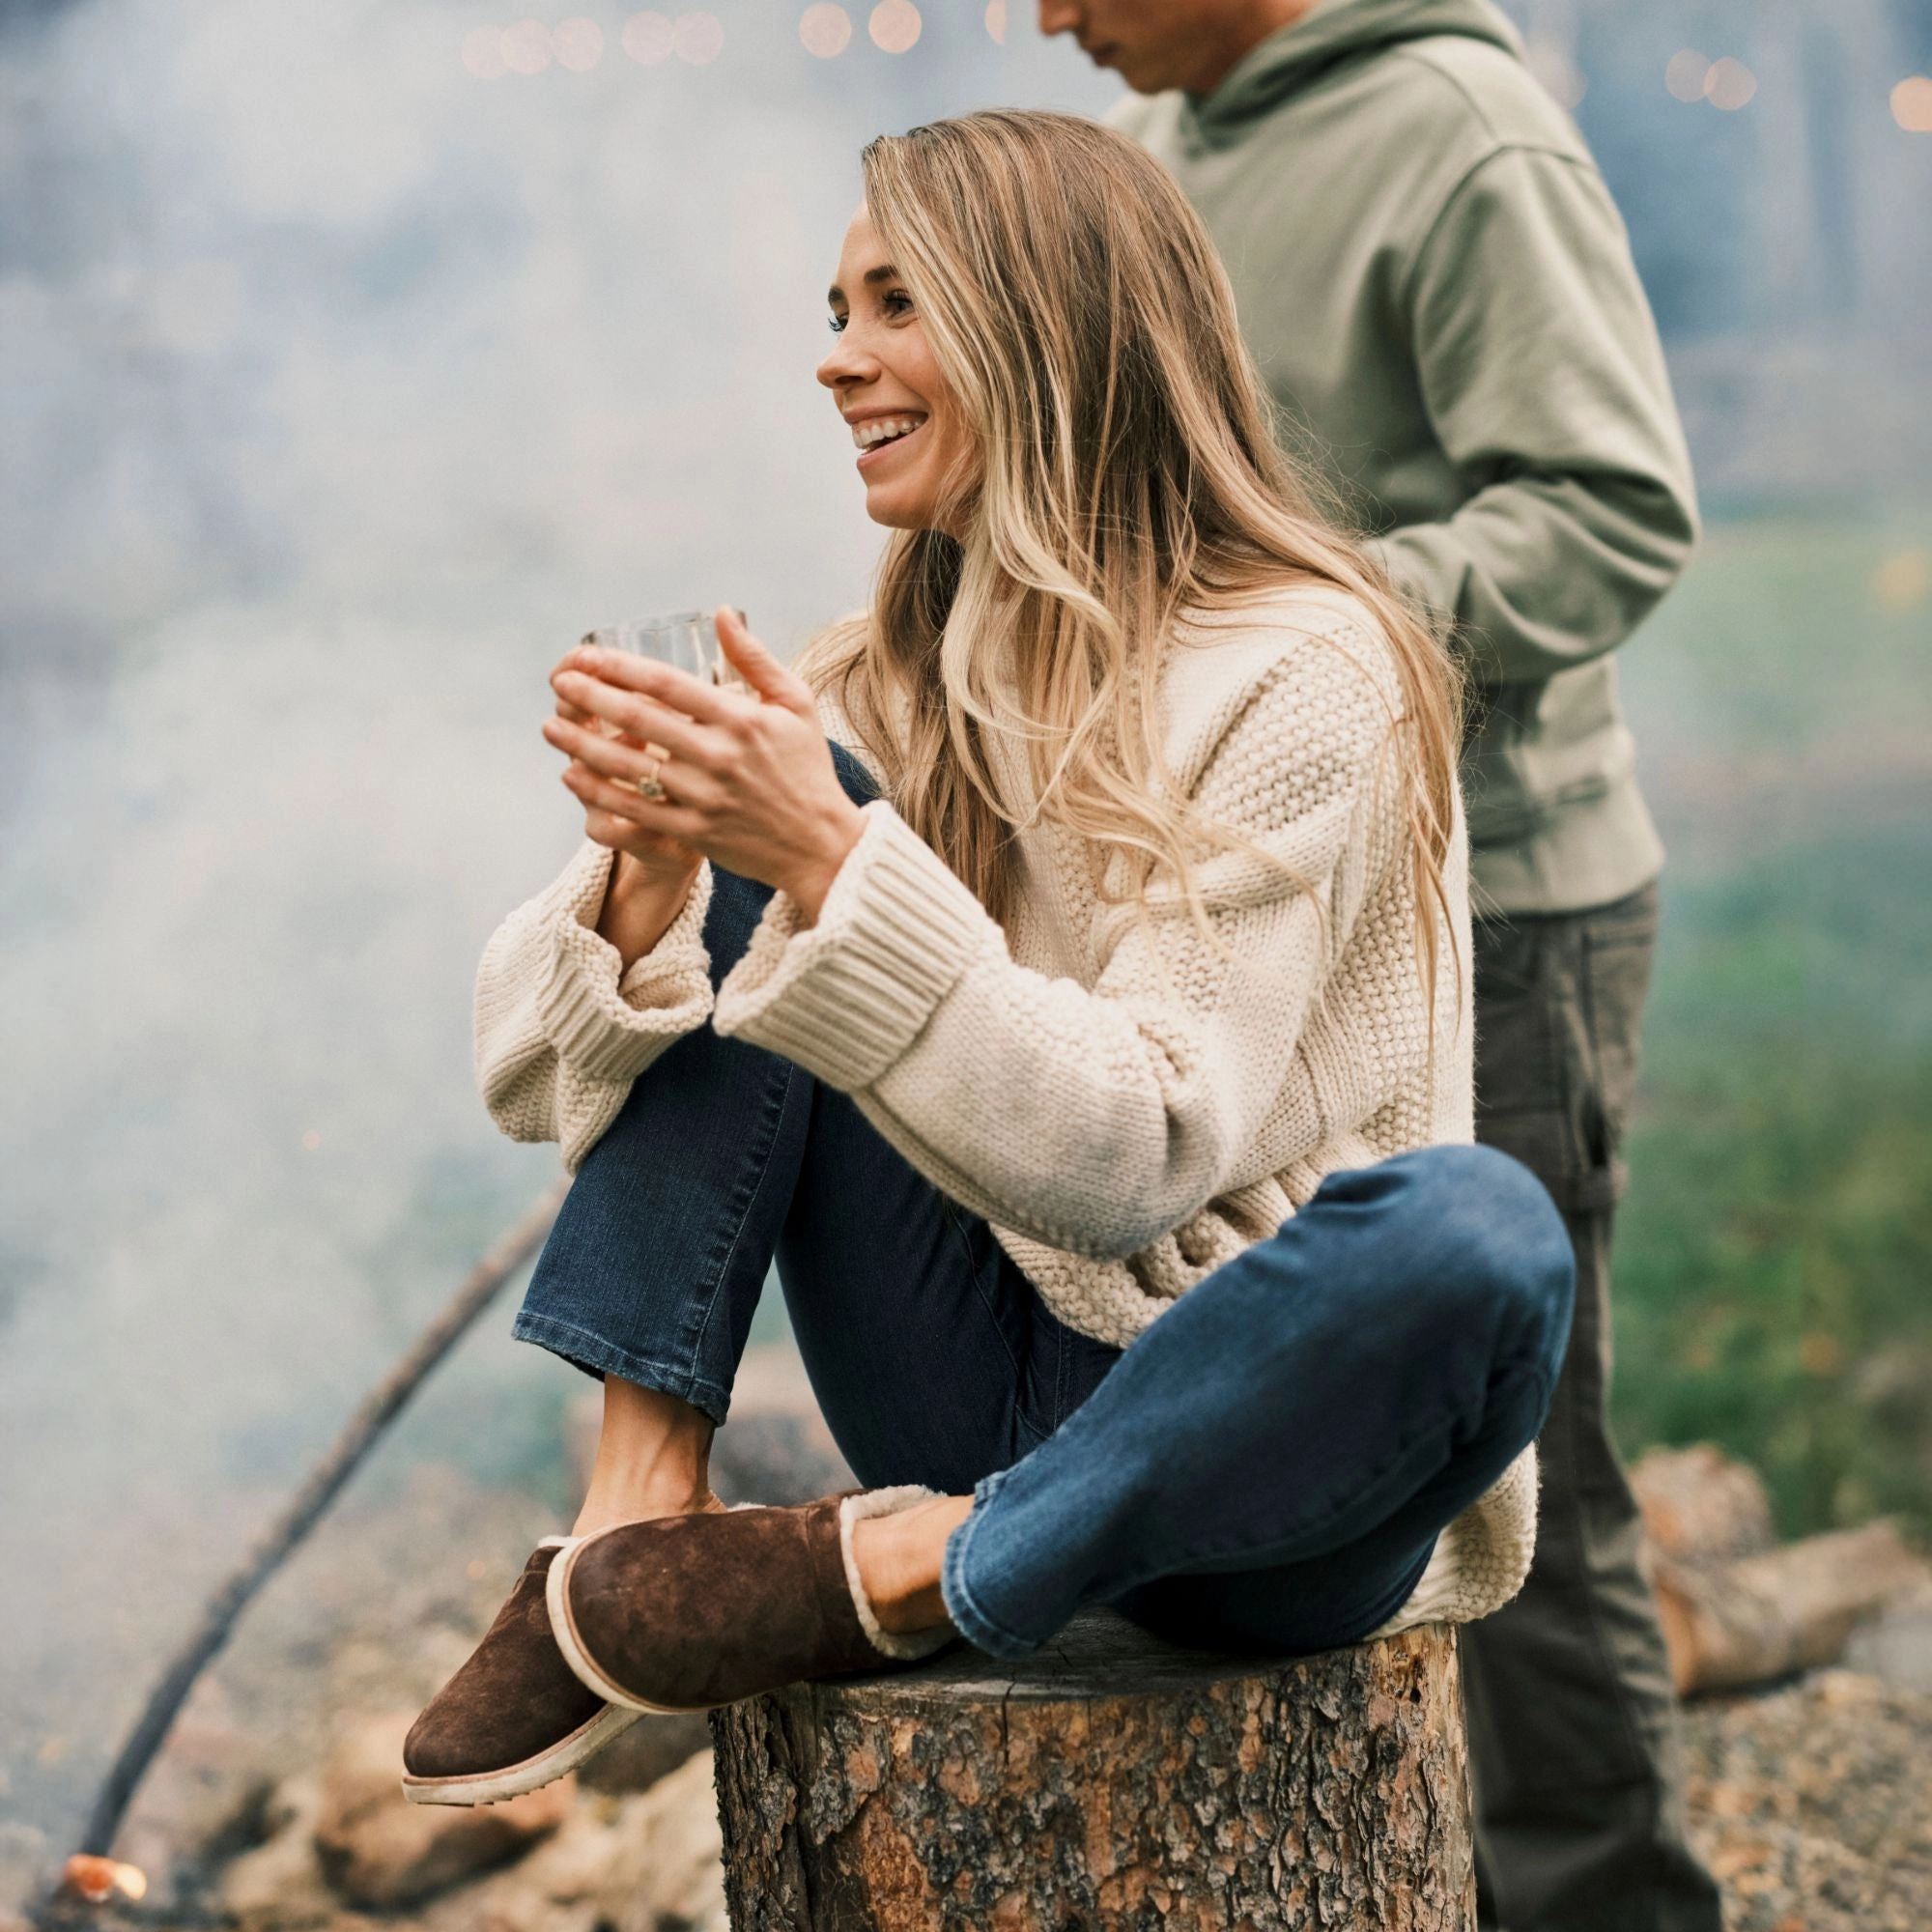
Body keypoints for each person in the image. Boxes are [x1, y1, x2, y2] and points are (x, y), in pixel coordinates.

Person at [400, 109, 1573, 1823]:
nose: (835, 360)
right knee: (774, 795)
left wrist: (826, 859)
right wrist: (654, 888)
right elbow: (526, 1074)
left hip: (1247, 1455)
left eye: (894, 305)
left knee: (1482, 1235)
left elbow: (1140, 1159)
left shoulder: (1309, 665)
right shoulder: (876, 678)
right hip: (963, 1364)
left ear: (1047, 327)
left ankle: (922, 1567)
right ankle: (630, 1540)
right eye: (834, 308)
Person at [1036, 2, 1714, 1926]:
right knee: (1299, 1433)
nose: (1041, 17)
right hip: (1256, 923)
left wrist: (1293, 636)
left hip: (1493, 911)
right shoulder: (1172, 150)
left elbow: (1608, 510)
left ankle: (1603, 1902)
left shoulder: (1458, 133)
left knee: (1518, 1481)